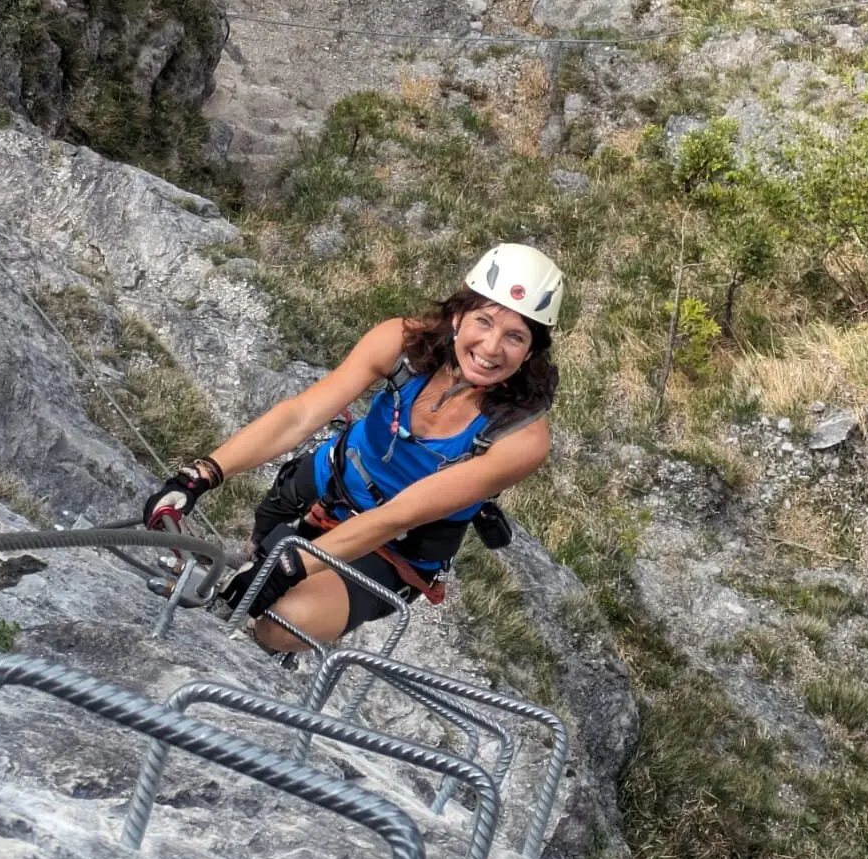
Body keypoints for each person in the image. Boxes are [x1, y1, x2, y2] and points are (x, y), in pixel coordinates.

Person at [141, 243, 563, 657]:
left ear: (530, 352)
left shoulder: (520, 439)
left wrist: (290, 566)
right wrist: (200, 475)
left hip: (391, 549)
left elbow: (398, 516)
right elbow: (299, 416)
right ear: (457, 315)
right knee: (255, 561)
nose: (491, 347)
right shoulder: (402, 344)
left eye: (514, 336)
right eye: (484, 321)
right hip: (323, 486)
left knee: (280, 623)